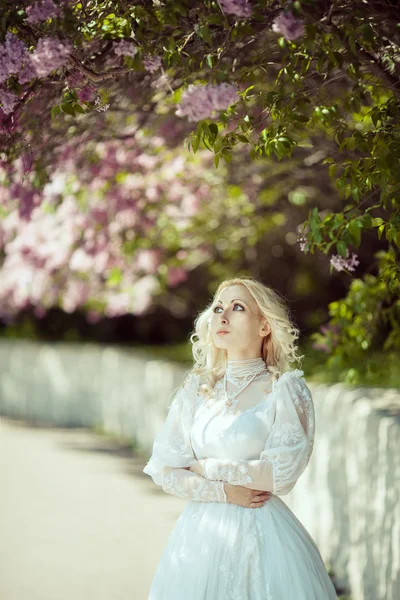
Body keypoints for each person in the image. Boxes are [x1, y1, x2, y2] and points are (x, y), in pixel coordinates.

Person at [143, 276, 338, 599]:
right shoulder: (197, 390)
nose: (222, 316)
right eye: (218, 307)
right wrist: (223, 492)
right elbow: (166, 469)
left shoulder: (285, 390)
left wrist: (207, 467)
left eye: (237, 307)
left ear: (264, 326)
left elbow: (280, 474)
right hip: (198, 539)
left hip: (264, 538)